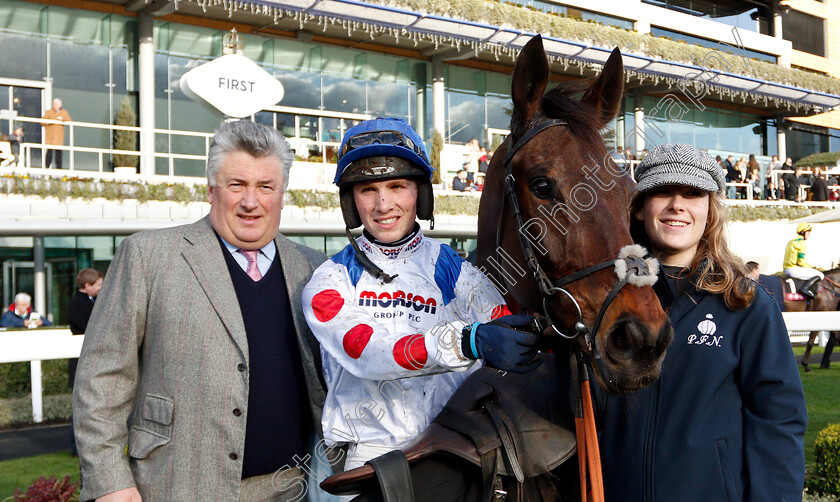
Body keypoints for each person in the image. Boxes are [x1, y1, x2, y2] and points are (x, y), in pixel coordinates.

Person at [73, 120, 329, 502]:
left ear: (282, 193)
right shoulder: (147, 257)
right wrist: (110, 481)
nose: (250, 201)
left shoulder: (315, 269)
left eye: (265, 186)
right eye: (236, 184)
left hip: (292, 489)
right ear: (211, 189)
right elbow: (101, 380)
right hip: (177, 486)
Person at [302, 117, 540, 471]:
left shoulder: (454, 268)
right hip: (369, 461)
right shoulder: (329, 282)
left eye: (397, 186)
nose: (383, 205)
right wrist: (468, 343)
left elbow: (508, 330)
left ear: (421, 194)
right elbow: (371, 354)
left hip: (451, 451)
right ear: (351, 202)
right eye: (368, 190)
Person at [597, 143, 807, 502]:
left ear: (709, 211)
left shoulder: (747, 305)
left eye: (693, 194)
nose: (677, 204)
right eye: (663, 190)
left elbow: (778, 424)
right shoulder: (603, 300)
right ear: (639, 209)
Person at [783, 222, 824, 299]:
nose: (809, 234)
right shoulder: (801, 243)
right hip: (793, 269)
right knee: (820, 275)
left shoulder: (791, 241)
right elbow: (801, 262)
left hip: (786, 268)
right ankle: (805, 289)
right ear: (803, 232)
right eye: (808, 232)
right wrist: (811, 267)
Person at [42, 98, 71, 169]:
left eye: (57, 104)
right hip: (50, 136)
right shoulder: (48, 112)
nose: (55, 106)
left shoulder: (64, 112)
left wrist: (62, 119)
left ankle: (59, 168)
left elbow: (69, 121)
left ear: (60, 105)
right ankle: (46, 167)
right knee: (49, 153)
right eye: (54, 104)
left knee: (59, 154)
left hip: (59, 137)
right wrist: (50, 121)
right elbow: (42, 121)